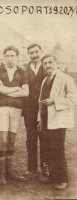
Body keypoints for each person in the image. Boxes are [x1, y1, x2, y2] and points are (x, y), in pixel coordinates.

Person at [37, 54, 75, 190]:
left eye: (50, 62)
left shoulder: (66, 78)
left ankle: (63, 179)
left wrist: (55, 101)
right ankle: (52, 176)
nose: (48, 65)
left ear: (56, 62)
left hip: (58, 120)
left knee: (58, 149)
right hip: (46, 119)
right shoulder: (44, 80)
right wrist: (39, 119)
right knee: (48, 149)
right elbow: (40, 101)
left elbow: (72, 99)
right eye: (45, 63)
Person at [0, 46, 29, 184]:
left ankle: (10, 171)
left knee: (12, 139)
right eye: (7, 55)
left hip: (16, 108)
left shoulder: (22, 71)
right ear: (4, 57)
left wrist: (5, 91)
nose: (9, 58)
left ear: (17, 56)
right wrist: (16, 88)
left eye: (12, 55)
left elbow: (26, 92)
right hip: (1, 108)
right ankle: (1, 173)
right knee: (2, 139)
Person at [23, 44, 47, 179]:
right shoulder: (25, 69)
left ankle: (45, 168)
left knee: (45, 139)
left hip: (44, 109)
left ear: (41, 52)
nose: (34, 55)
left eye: (36, 52)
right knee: (30, 139)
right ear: (29, 55)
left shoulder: (47, 66)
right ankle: (31, 168)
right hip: (29, 110)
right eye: (31, 53)